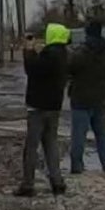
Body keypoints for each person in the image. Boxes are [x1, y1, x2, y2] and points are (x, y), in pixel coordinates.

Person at [16, 23, 71, 197]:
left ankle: (27, 185)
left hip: (38, 107)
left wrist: (29, 50)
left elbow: (32, 69)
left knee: (31, 147)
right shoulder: (62, 54)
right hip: (54, 106)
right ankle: (57, 182)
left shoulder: (51, 55)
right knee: (51, 144)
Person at [68, 20, 105, 173]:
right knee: (103, 135)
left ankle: (77, 166)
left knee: (79, 136)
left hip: (81, 99)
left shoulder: (82, 52)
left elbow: (69, 68)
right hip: (101, 99)